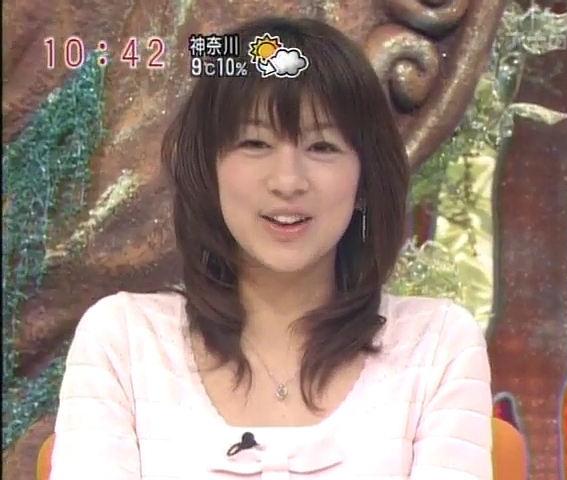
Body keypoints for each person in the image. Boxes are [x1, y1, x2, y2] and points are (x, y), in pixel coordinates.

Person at [50, 15, 493, 480]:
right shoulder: (123, 341)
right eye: (255, 142)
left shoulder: (437, 345)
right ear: (209, 171)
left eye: (322, 147)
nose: (287, 181)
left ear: (364, 180)